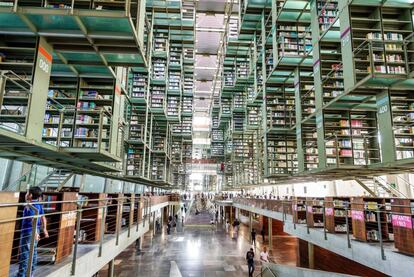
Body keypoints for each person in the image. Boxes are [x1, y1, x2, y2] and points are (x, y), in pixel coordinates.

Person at [17, 186, 49, 277]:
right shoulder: (39, 204)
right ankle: (30, 273)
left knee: (25, 253)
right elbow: (43, 217)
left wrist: (35, 233)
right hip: (36, 230)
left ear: (30, 195)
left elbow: (32, 220)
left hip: (28, 231)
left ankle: (22, 275)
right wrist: (44, 230)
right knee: (33, 252)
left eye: (27, 193)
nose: (26, 194)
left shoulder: (29, 205)